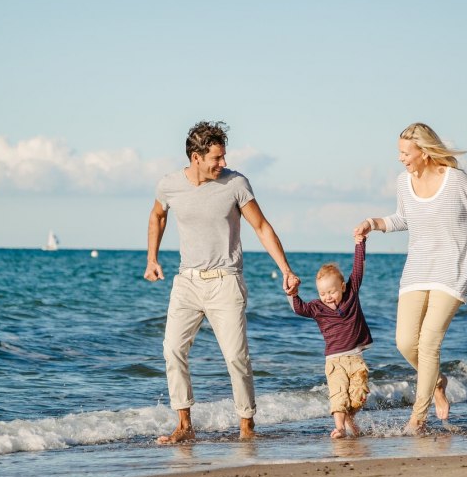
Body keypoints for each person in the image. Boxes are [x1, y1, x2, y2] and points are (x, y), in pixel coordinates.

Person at [144, 121, 300, 444]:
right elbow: (158, 215)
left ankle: (246, 427)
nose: (223, 163)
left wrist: (285, 268)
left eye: (224, 156)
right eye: (217, 157)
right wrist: (152, 258)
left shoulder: (236, 184)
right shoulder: (169, 185)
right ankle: (184, 425)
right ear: (196, 157)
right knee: (172, 349)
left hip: (225, 281)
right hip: (186, 281)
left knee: (235, 356)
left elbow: (262, 227)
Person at [354, 122, 467, 435]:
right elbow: (403, 219)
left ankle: (417, 420)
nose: (400, 158)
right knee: (405, 342)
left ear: (424, 151)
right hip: (417, 270)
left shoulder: (455, 179)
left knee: (429, 343)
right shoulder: (403, 182)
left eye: (406, 152)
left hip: (451, 271)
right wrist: (373, 223)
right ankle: (436, 382)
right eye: (399, 152)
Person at [288, 236, 373, 438]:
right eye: (323, 293)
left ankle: (350, 418)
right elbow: (299, 308)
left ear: (342, 287)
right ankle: (340, 427)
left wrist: (360, 243)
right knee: (338, 395)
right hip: (334, 361)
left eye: (332, 291)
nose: (327, 297)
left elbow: (358, 269)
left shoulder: (351, 294)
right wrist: (293, 293)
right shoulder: (317, 307)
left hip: (356, 358)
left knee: (359, 396)